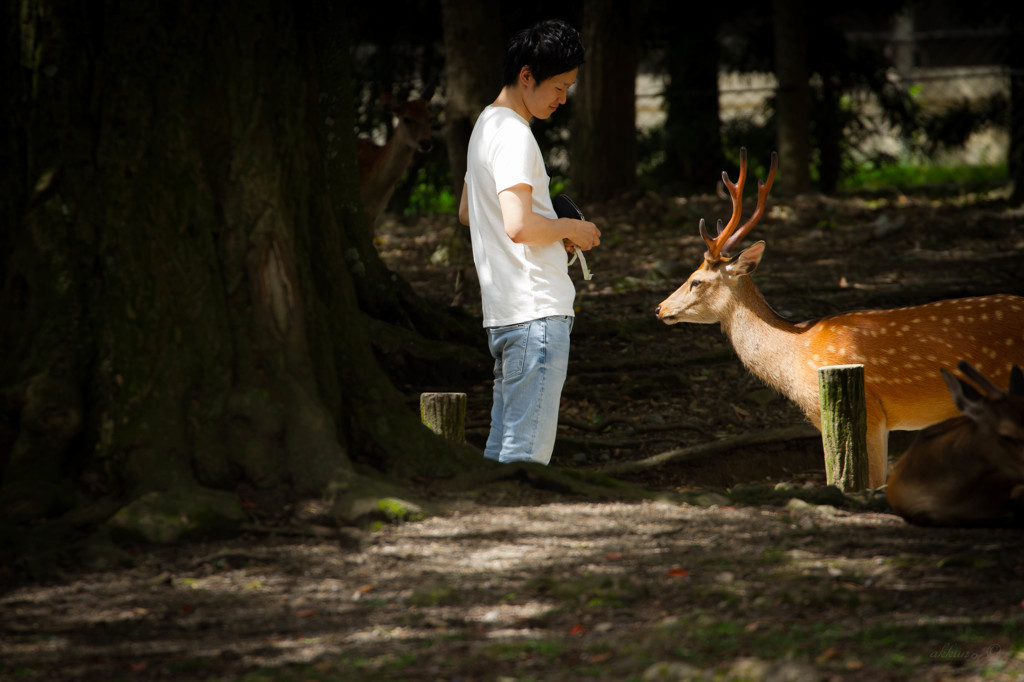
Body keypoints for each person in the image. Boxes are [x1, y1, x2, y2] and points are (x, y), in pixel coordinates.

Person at [457, 19, 601, 466]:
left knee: (503, 455)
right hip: (536, 313)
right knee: (525, 462)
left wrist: (546, 228)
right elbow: (519, 226)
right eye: (559, 86)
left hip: (505, 317)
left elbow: (468, 212)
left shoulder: (486, 124)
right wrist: (570, 229)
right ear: (526, 76)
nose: (563, 98)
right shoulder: (516, 135)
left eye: (568, 87)